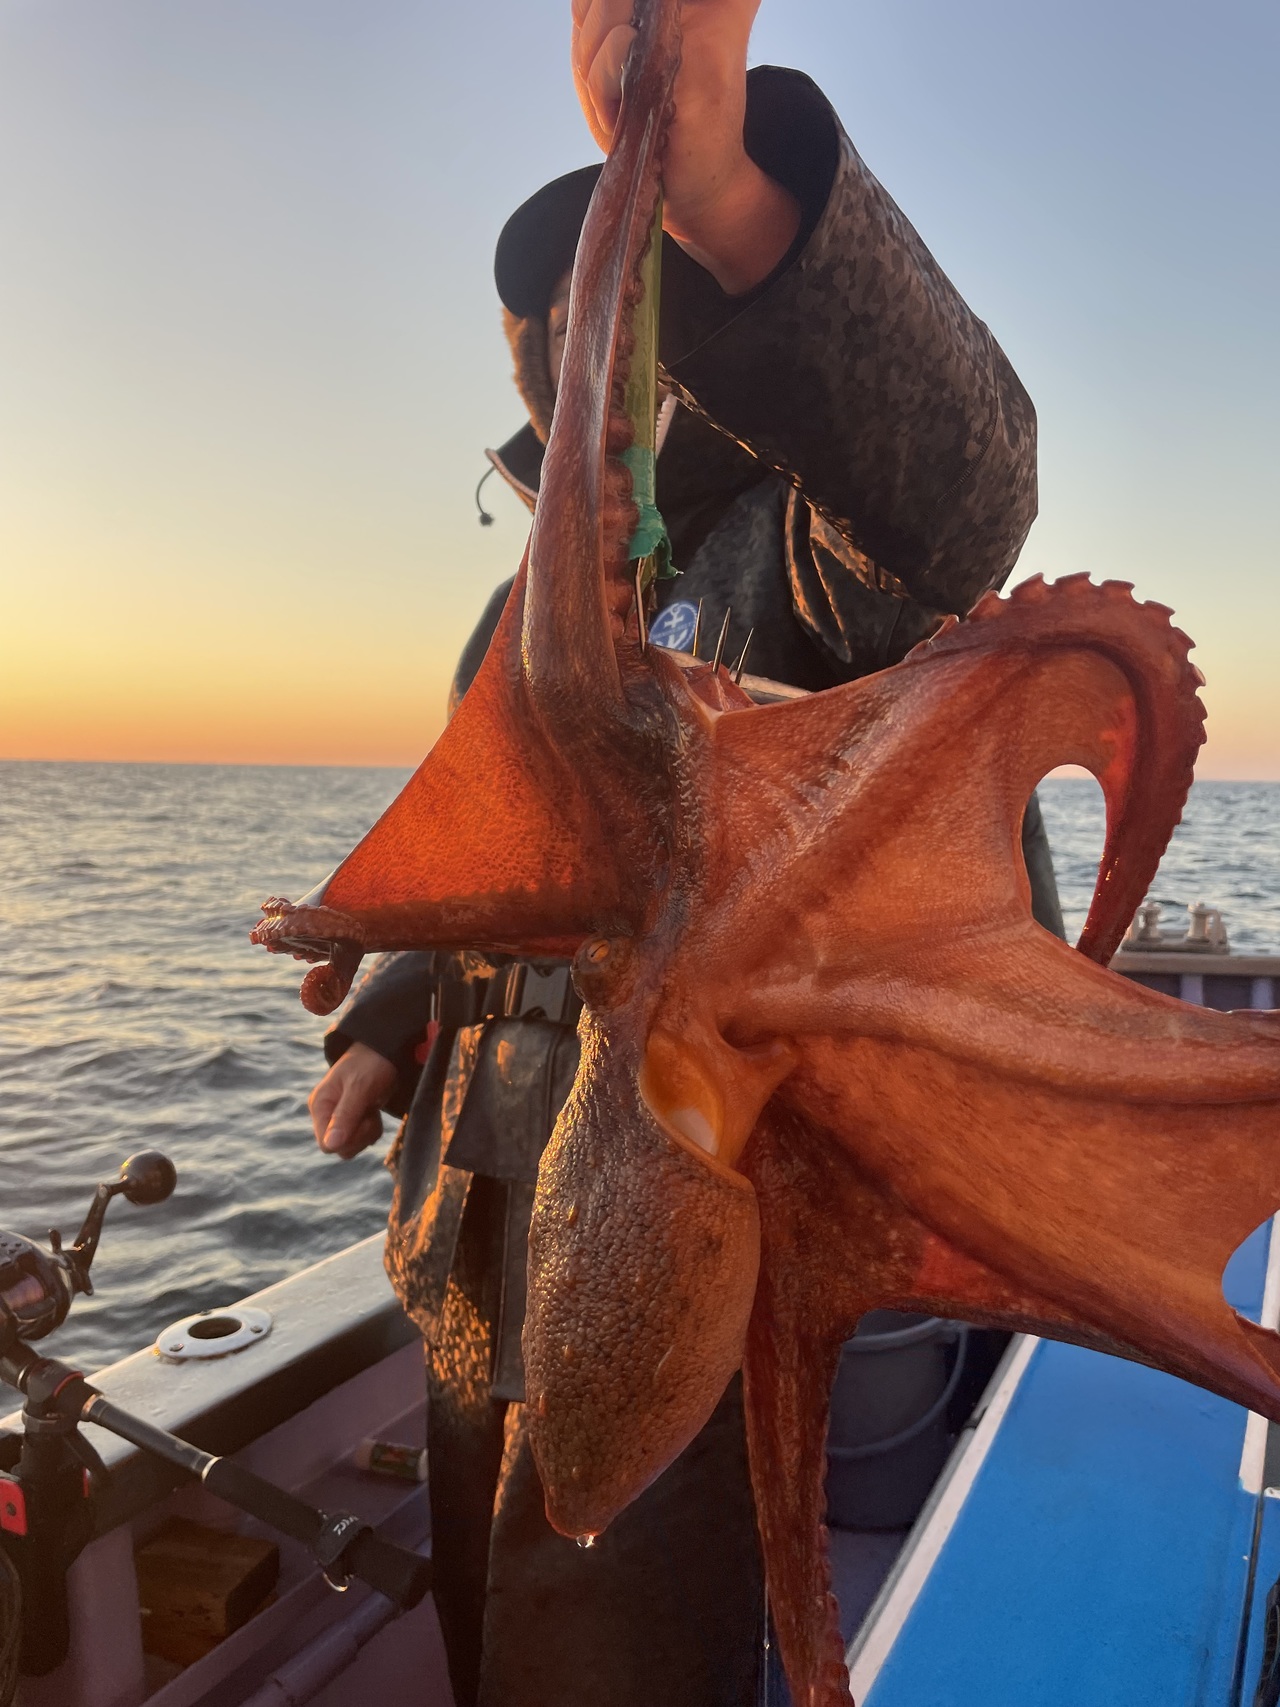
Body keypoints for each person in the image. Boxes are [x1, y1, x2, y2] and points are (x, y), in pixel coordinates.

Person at [309, 4, 1063, 1702]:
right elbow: (527, 857)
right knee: (490, 1637)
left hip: (690, 1238)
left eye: (593, 289)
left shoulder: (813, 545)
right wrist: (387, 1022)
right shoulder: (519, 614)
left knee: (620, 1648)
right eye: (531, 316)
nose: (552, 333)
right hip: (475, 1233)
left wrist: (730, 193)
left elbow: (962, 491)